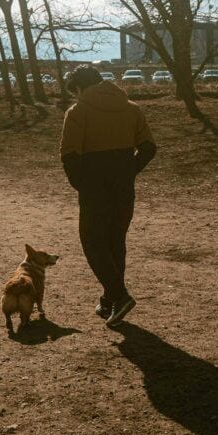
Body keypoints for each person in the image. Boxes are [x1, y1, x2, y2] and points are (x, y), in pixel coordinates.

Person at [60, 65, 156, 327]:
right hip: (124, 187)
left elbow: (69, 155)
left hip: (94, 186)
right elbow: (148, 147)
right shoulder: (131, 108)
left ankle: (120, 296)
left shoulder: (78, 112)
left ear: (80, 88)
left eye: (75, 92)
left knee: (92, 243)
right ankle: (109, 300)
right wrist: (129, 171)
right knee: (115, 242)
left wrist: (82, 184)